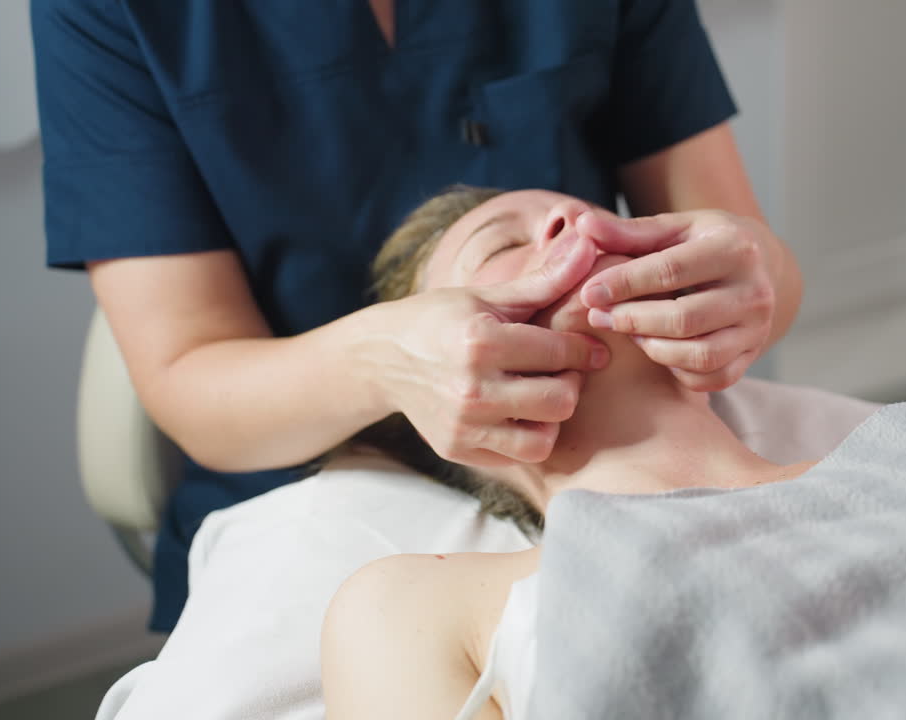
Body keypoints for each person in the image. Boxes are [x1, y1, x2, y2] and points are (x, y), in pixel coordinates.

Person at [31, 0, 803, 632]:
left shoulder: (869, 466)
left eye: (576, 215)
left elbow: (754, 256)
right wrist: (380, 363)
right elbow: (186, 368)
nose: (576, 224)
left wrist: (751, 275)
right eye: (505, 242)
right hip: (286, 476)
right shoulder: (420, 621)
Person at [321, 185, 821, 719]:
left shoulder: (885, 453)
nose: (573, 215)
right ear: (445, 415)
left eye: (602, 216)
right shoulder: (411, 611)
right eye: (501, 246)